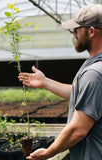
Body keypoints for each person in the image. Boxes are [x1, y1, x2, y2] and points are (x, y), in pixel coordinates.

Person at [18, 4, 102, 160]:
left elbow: (78, 129)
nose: (74, 33)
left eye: (77, 29)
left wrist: (49, 152)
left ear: (91, 31)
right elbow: (84, 95)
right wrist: (45, 82)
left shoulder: (94, 73)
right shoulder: (95, 66)